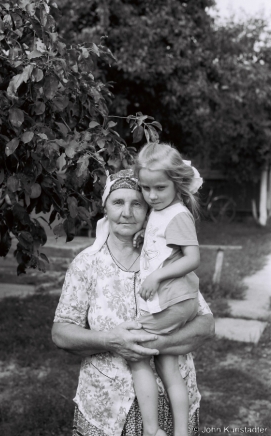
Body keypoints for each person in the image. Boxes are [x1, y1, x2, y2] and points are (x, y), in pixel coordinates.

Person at [51, 169, 214, 436]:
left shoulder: (169, 257)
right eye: (118, 202)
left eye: (136, 203)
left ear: (149, 208)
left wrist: (156, 345)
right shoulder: (87, 263)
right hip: (106, 411)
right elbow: (61, 333)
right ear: (105, 208)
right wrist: (111, 340)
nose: (126, 212)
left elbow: (206, 324)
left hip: (171, 409)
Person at [129, 143, 204, 436]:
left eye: (160, 187)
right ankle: (181, 432)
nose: (152, 195)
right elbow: (161, 245)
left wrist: (157, 276)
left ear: (177, 182)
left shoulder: (178, 214)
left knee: (133, 348)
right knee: (167, 364)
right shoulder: (161, 212)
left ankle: (151, 430)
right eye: (145, 188)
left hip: (174, 301)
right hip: (174, 300)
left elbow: (193, 258)